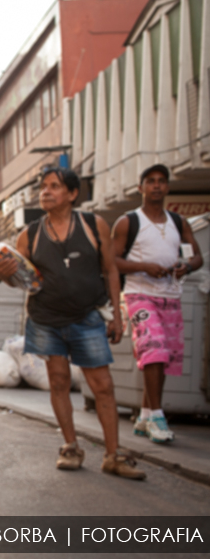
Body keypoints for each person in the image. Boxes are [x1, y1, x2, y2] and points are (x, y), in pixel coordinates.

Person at [0, 167, 144, 480]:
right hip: (45, 319)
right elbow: (19, 281)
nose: (45, 192)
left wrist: (117, 314)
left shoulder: (93, 225)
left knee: (103, 385)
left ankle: (113, 455)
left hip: (87, 317)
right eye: (43, 187)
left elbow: (111, 270)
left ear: (73, 194)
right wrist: (4, 272)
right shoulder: (29, 235)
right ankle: (71, 446)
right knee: (59, 381)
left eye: (54, 186)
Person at [112, 164, 203, 443]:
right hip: (139, 295)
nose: (156, 186)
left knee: (163, 358)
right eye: (150, 181)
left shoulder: (179, 222)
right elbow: (111, 261)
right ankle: (157, 417)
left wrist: (185, 267)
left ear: (167, 187)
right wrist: (144, 267)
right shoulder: (128, 221)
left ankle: (145, 416)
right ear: (140, 188)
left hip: (170, 297)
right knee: (155, 349)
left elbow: (197, 257)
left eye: (162, 181)